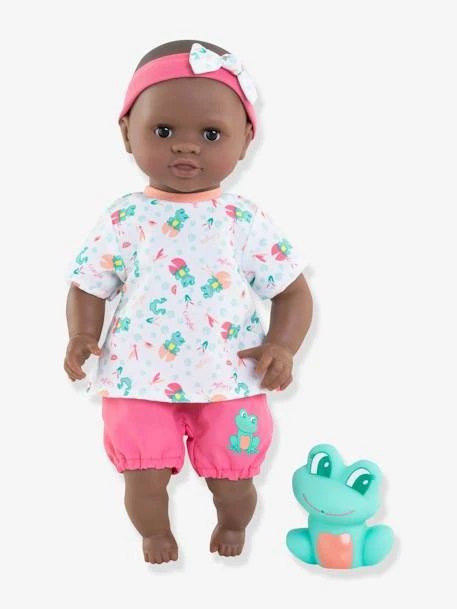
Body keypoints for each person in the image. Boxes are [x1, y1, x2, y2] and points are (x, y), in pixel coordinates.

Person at [64, 39, 313, 564]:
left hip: (230, 376)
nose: (186, 147)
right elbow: (88, 284)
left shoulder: (242, 220)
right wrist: (82, 335)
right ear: (126, 132)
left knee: (234, 481)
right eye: (163, 131)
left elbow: (291, 290)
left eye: (210, 134)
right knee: (143, 478)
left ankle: (232, 523)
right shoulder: (123, 218)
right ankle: (155, 535)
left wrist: (283, 346)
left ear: (245, 140)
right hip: (137, 376)